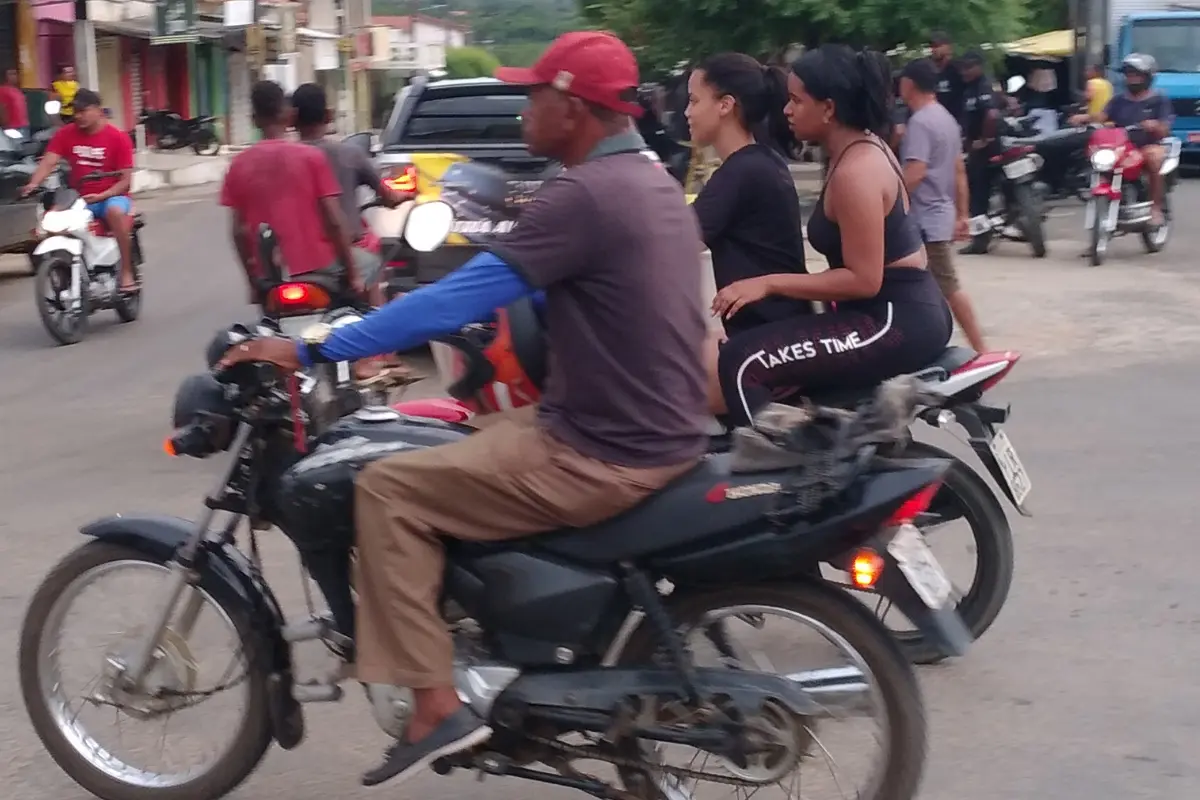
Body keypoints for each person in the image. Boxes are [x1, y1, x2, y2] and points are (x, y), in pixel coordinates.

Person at [217, 31, 708, 786]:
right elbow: (574, 291)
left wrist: (313, 350)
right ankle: (484, 635)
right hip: (654, 427)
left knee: (388, 488)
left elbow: (456, 294)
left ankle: (434, 704)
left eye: (534, 95)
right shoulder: (649, 183)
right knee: (435, 427)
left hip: (600, 447)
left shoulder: (582, 195)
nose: (523, 110)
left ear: (572, 108)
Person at [709, 44, 952, 427]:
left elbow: (864, 279)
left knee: (742, 362)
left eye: (796, 101)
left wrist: (767, 284)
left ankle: (778, 470)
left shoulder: (858, 171)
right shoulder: (857, 150)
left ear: (828, 108)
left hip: (894, 321)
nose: (786, 110)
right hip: (898, 314)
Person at [685, 53, 811, 410]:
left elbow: (673, 245)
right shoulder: (759, 162)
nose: (687, 113)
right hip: (768, 332)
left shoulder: (743, 172)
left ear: (725, 105)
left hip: (767, 343)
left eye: (694, 101)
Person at [219, 80, 360, 304]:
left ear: (254, 120)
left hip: (268, 277)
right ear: (288, 115)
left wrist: (252, 283)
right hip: (320, 268)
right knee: (371, 264)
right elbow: (334, 221)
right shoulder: (311, 158)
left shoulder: (238, 164)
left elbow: (239, 232)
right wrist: (354, 275)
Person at [291, 82, 410, 306]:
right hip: (342, 255)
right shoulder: (349, 153)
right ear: (328, 115)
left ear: (292, 118)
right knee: (374, 272)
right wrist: (406, 196)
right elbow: (388, 196)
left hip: (296, 257)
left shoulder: (285, 159)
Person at [898, 58, 987, 353]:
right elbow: (958, 169)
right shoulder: (946, 118)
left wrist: (886, 201)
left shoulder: (921, 121)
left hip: (926, 219)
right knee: (926, 288)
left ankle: (981, 349)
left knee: (948, 285)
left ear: (908, 85)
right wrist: (962, 213)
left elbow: (915, 172)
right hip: (940, 214)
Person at [21, 88, 138, 293]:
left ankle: (126, 271)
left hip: (113, 196)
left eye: (83, 111)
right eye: (75, 111)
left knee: (114, 212)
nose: (78, 116)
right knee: (50, 221)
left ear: (98, 110)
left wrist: (103, 195)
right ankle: (66, 269)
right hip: (79, 198)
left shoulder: (118, 138)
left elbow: (126, 181)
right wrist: (33, 183)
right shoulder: (66, 133)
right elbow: (49, 161)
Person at [1072, 54, 1172, 226]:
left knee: (1154, 158)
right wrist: (1084, 118)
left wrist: (1154, 125)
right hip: (1122, 147)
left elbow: (1165, 128)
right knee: (1096, 158)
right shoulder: (1119, 99)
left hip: (1148, 145)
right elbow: (1102, 116)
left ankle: (1155, 208)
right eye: (1129, 74)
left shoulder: (1158, 99)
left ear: (1148, 77)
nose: (1132, 78)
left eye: (1136, 75)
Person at [958, 51, 999, 255]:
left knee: (978, 195)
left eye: (968, 67)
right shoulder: (971, 88)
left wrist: (984, 140)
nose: (964, 72)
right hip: (978, 146)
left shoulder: (984, 85)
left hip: (985, 148)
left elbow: (991, 115)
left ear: (979, 67)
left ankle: (980, 240)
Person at [929, 31, 964, 124]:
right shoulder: (929, 70)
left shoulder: (958, 69)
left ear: (949, 47)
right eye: (933, 47)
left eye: (938, 46)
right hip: (937, 121)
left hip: (957, 120)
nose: (934, 50)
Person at [0, 68, 29, 137]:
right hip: (12, 128)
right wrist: (5, 127)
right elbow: (2, 108)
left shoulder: (17, 90)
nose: (15, 76)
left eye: (16, 74)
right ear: (5, 77)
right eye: (11, 74)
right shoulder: (2, 90)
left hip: (24, 126)